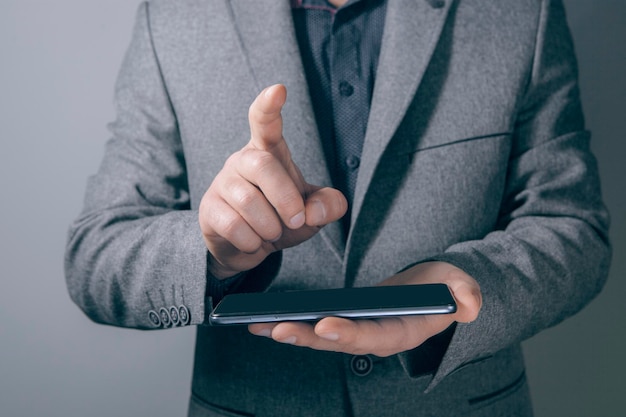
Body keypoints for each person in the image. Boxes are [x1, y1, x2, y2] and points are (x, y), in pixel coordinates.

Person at [65, 0, 611, 415]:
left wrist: (472, 283)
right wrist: (212, 250)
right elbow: (96, 258)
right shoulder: (175, 17)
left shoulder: (520, 11)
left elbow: (573, 226)